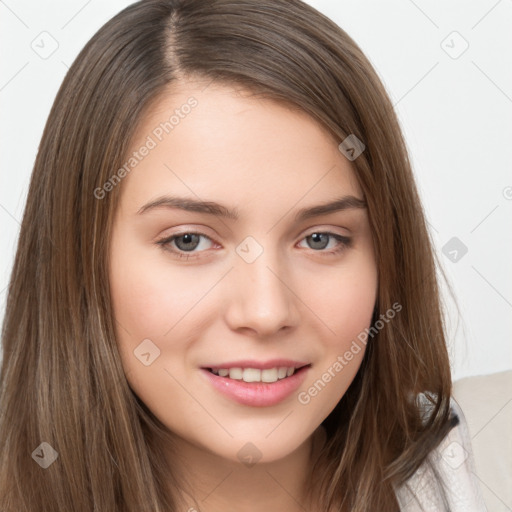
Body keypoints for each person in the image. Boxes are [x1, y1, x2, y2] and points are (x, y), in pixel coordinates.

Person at [0, 0, 487, 510]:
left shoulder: (438, 464)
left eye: (320, 239)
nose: (266, 311)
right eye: (188, 240)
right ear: (81, 263)